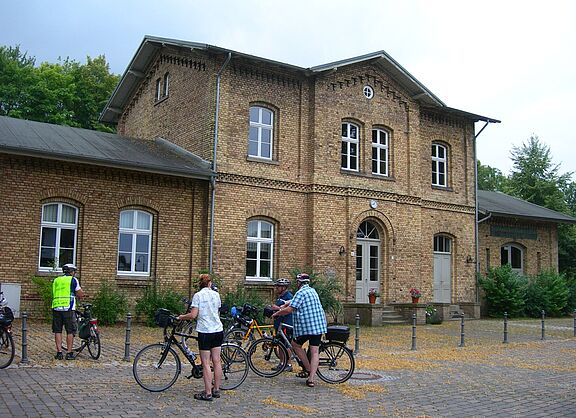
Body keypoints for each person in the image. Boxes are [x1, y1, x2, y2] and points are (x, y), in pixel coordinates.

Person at [272, 273, 327, 387]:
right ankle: (311, 379)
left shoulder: (300, 292)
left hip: (307, 327)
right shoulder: (312, 291)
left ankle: (307, 368)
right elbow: (291, 302)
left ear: (299, 283)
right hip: (319, 326)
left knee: (295, 345)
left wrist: (277, 313)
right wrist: (283, 305)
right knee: (315, 352)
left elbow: (290, 309)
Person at [177, 274, 223, 401]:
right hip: (218, 330)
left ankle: (207, 393)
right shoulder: (216, 294)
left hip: (205, 331)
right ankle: (216, 389)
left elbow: (193, 315)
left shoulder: (198, 296)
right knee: (217, 361)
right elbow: (217, 310)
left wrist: (181, 317)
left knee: (206, 363)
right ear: (209, 283)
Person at [52, 263, 84, 360]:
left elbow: (53, 293)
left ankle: (59, 353)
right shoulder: (73, 280)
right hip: (68, 308)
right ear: (71, 272)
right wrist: (80, 296)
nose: (74, 273)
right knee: (70, 331)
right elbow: (80, 293)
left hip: (56, 307)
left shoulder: (56, 280)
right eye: (74, 271)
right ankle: (69, 353)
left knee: (57, 330)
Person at [271, 278, 293, 372]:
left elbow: (288, 310)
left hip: (286, 324)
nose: (277, 288)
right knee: (279, 344)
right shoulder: (280, 296)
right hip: (279, 324)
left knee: (286, 345)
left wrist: (278, 309)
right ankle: (281, 363)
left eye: (278, 286)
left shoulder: (289, 297)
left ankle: (289, 364)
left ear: (284, 287)